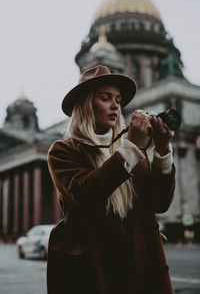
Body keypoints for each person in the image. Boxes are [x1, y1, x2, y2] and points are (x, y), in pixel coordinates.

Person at [47, 65, 175, 294]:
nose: (116, 105)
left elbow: (159, 203)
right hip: (94, 272)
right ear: (86, 105)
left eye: (118, 99)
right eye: (105, 98)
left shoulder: (129, 150)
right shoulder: (63, 151)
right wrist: (131, 147)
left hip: (142, 269)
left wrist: (162, 152)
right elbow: (86, 193)